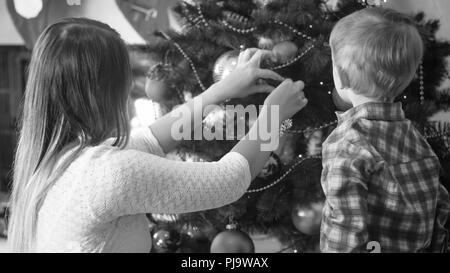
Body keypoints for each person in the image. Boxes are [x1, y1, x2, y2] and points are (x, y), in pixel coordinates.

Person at [8, 18, 308, 252]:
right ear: (105, 89)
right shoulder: (106, 172)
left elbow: (153, 139)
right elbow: (230, 180)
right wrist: (274, 117)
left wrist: (224, 89)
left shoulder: (62, 158)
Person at [320, 7, 450, 253]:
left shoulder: (347, 143)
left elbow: (347, 228)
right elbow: (439, 204)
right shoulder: (411, 134)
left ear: (342, 77)